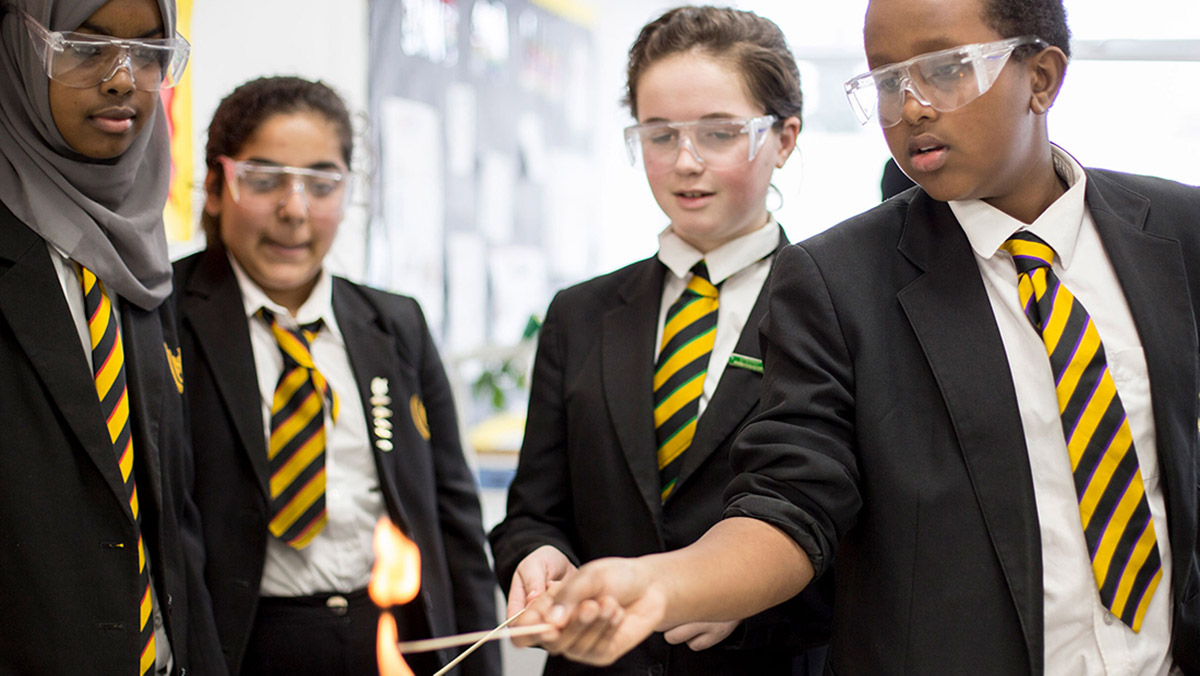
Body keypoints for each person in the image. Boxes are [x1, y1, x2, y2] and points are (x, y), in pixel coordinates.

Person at [514, 0, 1200, 673]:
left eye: (945, 69)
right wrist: (667, 583)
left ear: (1042, 77)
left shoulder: (1178, 234)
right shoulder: (839, 279)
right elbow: (793, 499)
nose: (910, 108)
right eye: (885, 81)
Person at [488, 7, 831, 674]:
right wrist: (535, 556)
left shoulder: (836, 308)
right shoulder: (581, 313)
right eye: (659, 134)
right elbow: (534, 510)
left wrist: (741, 588)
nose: (685, 162)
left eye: (719, 133)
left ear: (784, 137)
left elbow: (868, 535)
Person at [173, 76, 500, 676]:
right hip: (240, 642)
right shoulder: (165, 316)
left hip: (386, 636)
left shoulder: (394, 323)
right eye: (263, 179)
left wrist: (481, 662)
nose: (294, 209)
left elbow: (454, 521)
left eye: (322, 184)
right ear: (217, 187)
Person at [0, 0, 224, 673]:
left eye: (151, 52)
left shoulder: (144, 261)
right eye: (83, 47)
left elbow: (172, 526)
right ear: (19, 50)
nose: (124, 78)